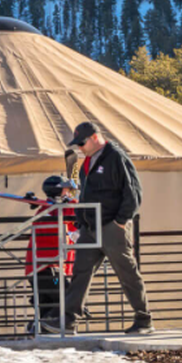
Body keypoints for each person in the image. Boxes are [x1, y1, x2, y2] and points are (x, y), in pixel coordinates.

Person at [43, 121, 153, 335]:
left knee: (127, 273)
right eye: (77, 145)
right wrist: (80, 220)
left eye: (82, 143)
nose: (80, 148)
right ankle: (68, 320)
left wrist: (120, 221)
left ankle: (144, 319)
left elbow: (133, 192)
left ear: (95, 137)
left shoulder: (116, 157)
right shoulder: (87, 161)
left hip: (111, 225)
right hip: (90, 227)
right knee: (80, 271)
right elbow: (85, 194)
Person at [24, 175, 78, 333]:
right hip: (45, 266)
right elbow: (59, 223)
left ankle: (39, 327)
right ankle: (43, 325)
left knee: (48, 302)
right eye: (66, 190)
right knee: (68, 296)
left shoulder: (57, 209)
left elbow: (76, 220)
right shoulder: (46, 212)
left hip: (54, 265)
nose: (69, 194)